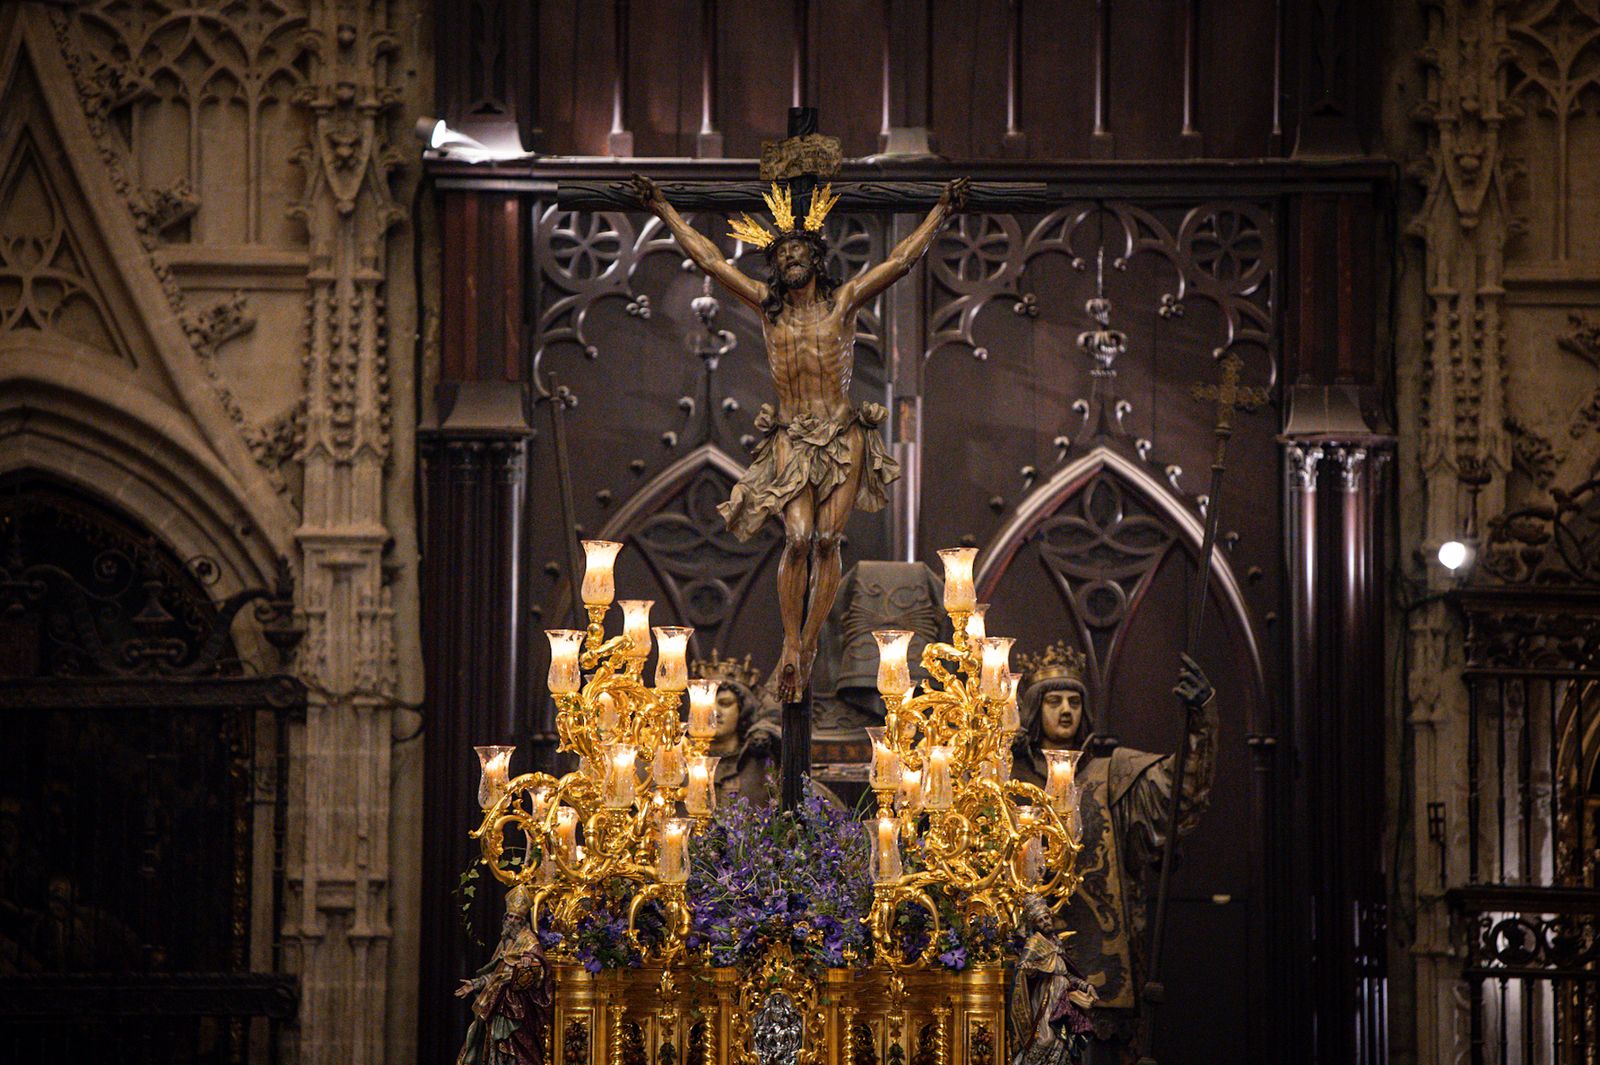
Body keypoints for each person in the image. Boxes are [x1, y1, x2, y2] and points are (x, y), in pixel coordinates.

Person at [631, 172, 968, 699]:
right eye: (782, 255)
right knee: (796, 538)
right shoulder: (768, 307)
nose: (790, 262)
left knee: (829, 539)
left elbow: (900, 260)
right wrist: (662, 208)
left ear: (816, 259)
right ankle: (792, 643)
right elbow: (710, 260)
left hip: (840, 434)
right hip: (791, 435)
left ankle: (807, 648)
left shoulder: (843, 303)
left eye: (798, 254)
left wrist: (941, 211)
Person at [1011, 643, 1217, 1064]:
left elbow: (1182, 792)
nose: (1066, 710)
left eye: (1075, 700)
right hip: (1024, 973)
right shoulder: (1006, 784)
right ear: (1034, 709)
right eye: (1054, 701)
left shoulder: (1115, 774)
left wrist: (1202, 718)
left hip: (1102, 976)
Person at [456, 883, 554, 1065]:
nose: (511, 921)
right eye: (509, 916)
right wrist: (475, 984)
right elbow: (496, 973)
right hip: (497, 1003)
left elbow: (540, 969)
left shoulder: (529, 941)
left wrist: (530, 962)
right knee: (493, 1045)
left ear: (522, 921)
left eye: (516, 917)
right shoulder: (505, 942)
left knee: (515, 1048)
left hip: (517, 1008)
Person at [1009, 894, 1098, 1065]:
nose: (1045, 922)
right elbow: (1024, 968)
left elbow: (1067, 973)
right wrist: (1031, 970)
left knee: (1062, 1040)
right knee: (1045, 1039)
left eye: (1046, 918)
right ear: (1035, 925)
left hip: (1062, 996)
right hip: (1045, 996)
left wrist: (1085, 986)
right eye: (1040, 920)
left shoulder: (1056, 943)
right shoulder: (1035, 943)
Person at [691, 651, 781, 804]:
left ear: (742, 709)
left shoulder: (759, 764)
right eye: (707, 704)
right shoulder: (684, 762)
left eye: (725, 704)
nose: (715, 712)